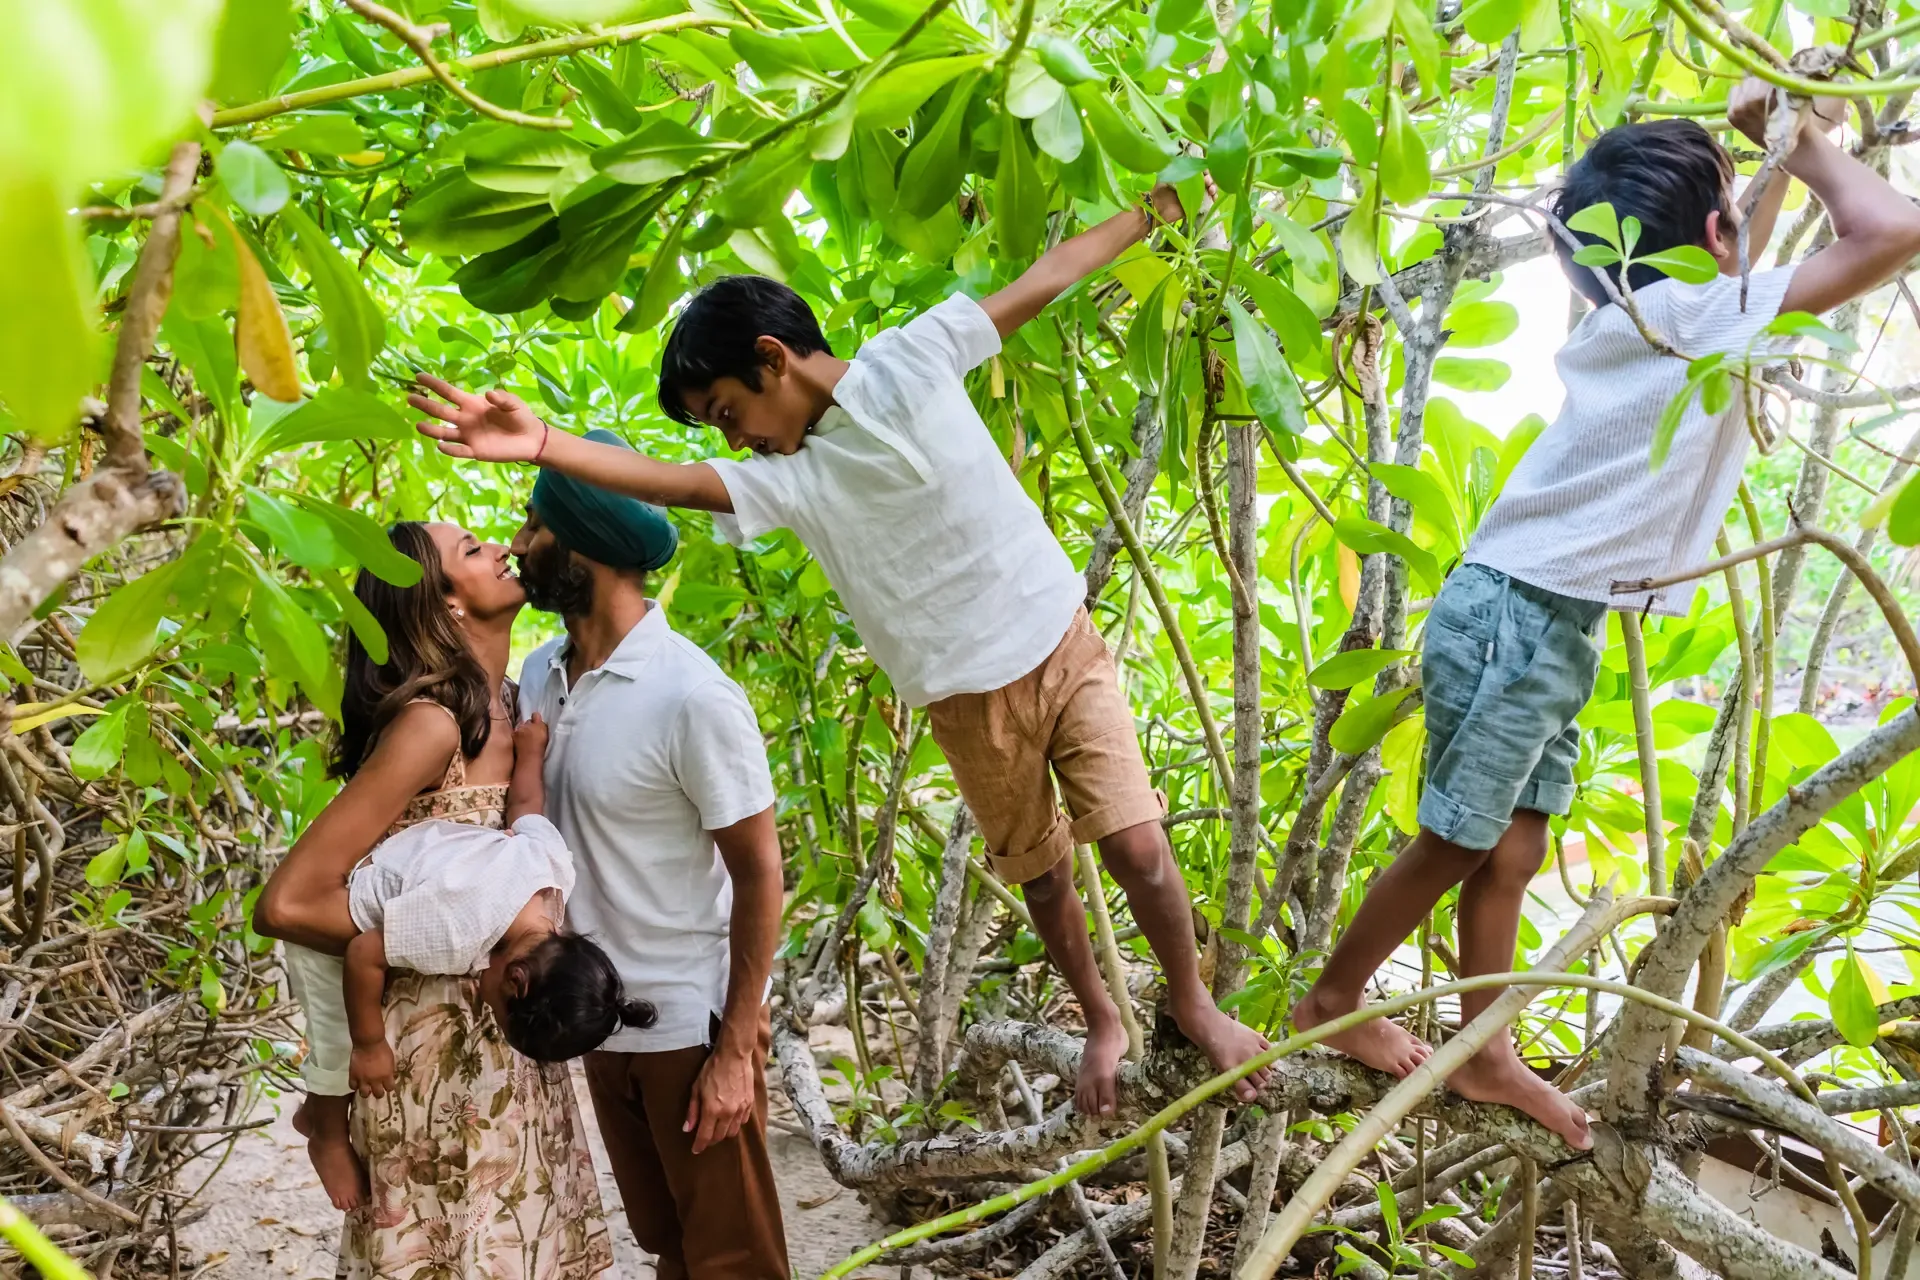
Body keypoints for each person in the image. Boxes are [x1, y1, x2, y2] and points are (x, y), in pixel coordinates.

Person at [410, 184, 1274, 1119]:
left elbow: (1046, 278)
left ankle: (1190, 1003)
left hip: (1057, 637)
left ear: (773, 361)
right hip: (963, 696)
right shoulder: (791, 483)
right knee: (1045, 875)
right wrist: (543, 442)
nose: (731, 435)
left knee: (1139, 847)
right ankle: (1104, 1020)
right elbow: (673, 482)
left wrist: (1151, 215)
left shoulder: (913, 360)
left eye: (726, 408)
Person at [1291, 78, 1920, 1150]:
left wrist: (1754, 164)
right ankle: (1334, 995)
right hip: (1522, 613)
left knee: (1515, 846)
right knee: (1460, 836)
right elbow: (1893, 229)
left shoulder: (1647, 314)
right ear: (1716, 234)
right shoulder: (1695, 317)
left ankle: (1483, 1048)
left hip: (1539, 612)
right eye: (1738, 208)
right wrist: (1795, 139)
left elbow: (1735, 254)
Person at [254, 522, 612, 1278]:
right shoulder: (432, 724)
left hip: (511, 1032)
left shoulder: (515, 702)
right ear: (447, 604)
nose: (501, 550)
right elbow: (285, 905)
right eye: (474, 552)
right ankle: (321, 1113)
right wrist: (441, 941)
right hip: (427, 1044)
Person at [507, 438, 790, 1280]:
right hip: (597, 1022)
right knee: (669, 1242)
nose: (520, 543)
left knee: (733, 1257)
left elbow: (759, 873)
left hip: (685, 1026)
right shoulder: (539, 675)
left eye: (536, 525)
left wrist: (736, 1047)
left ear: (582, 545)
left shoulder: (692, 696)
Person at [276, 707, 657, 1213]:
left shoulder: (551, 874)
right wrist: (370, 1044)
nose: (483, 997)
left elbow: (525, 804)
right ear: (515, 980)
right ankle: (323, 1126)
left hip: (411, 879)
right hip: (331, 926)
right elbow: (363, 950)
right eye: (496, 1010)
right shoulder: (459, 930)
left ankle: (321, 1111)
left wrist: (531, 750)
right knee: (337, 1035)